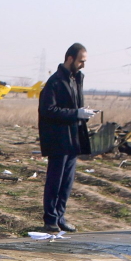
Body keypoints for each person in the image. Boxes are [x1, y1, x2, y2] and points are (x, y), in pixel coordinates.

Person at [37, 42, 95, 233]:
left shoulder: (77, 79)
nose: (83, 65)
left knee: (67, 182)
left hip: (73, 138)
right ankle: (50, 219)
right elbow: (48, 110)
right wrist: (75, 113)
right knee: (55, 180)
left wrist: (83, 113)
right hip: (58, 139)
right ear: (70, 59)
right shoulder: (55, 82)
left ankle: (60, 216)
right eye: (81, 61)